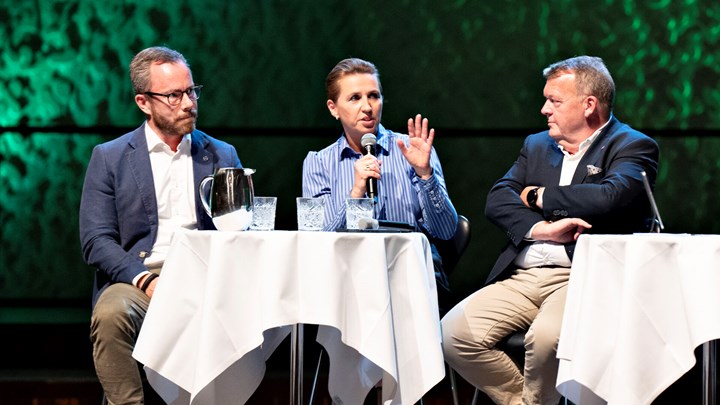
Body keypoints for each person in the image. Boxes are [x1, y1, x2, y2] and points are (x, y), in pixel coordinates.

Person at [441, 56, 659, 405]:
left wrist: (537, 195)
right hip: (524, 275)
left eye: (554, 101)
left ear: (589, 105)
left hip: (582, 276)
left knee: (544, 339)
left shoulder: (631, 145)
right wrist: (542, 229)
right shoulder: (537, 145)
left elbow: (609, 197)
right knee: (453, 335)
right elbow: (497, 199)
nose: (544, 110)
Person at [79, 46, 242, 404]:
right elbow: (95, 240)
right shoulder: (110, 157)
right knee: (110, 314)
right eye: (173, 95)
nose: (188, 103)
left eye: (191, 91)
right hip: (140, 281)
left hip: (205, 280)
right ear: (143, 102)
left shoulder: (221, 155)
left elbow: (239, 233)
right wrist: (146, 280)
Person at [302, 57, 458, 307]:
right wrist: (355, 192)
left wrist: (425, 175)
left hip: (410, 276)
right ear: (333, 108)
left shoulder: (412, 150)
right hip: (346, 279)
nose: (367, 107)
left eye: (373, 96)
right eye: (355, 98)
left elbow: (446, 231)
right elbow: (317, 242)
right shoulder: (318, 163)